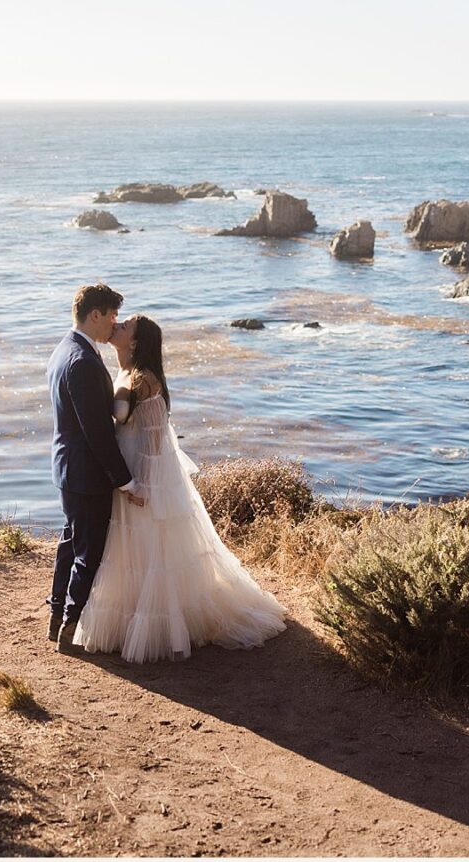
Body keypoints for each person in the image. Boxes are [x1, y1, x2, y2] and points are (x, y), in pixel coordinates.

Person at [74, 314, 286, 662]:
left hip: (144, 473)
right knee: (128, 548)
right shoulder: (124, 371)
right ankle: (129, 617)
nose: (118, 325)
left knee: (151, 545)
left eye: (126, 326)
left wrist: (142, 485)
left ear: (135, 342)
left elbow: (154, 440)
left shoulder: (146, 379)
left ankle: (160, 624)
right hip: (125, 469)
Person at [45, 283, 145, 653]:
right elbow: (98, 433)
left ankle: (56, 615)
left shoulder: (64, 349)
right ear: (95, 315)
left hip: (67, 468)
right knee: (88, 555)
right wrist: (126, 481)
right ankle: (69, 627)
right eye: (112, 315)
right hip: (86, 475)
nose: (115, 323)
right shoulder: (83, 362)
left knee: (70, 544)